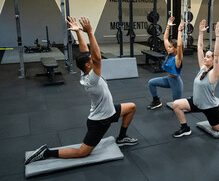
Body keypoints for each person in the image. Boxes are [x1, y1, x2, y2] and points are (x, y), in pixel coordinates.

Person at [25, 16, 138, 165]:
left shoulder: (85, 71)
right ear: (89, 65)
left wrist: (78, 32)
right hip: (100, 120)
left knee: (131, 107)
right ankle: (46, 152)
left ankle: (122, 137)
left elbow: (85, 52)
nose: (93, 59)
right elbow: (97, 58)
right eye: (91, 60)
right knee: (82, 152)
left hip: (109, 111)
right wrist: (90, 33)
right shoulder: (93, 79)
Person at [172, 20, 219, 138]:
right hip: (196, 103)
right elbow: (199, 49)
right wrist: (200, 33)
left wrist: (217, 36)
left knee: (218, 128)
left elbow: (217, 55)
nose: (205, 58)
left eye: (208, 57)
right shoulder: (203, 67)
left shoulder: (214, 72)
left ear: (213, 60)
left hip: (209, 107)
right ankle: (185, 128)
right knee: (176, 105)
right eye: (205, 57)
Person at [147, 17, 184, 109]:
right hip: (168, 79)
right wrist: (168, 26)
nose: (168, 48)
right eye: (169, 47)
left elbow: (179, 45)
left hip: (176, 82)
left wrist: (179, 31)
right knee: (151, 82)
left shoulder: (177, 58)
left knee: (176, 105)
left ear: (175, 49)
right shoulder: (170, 53)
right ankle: (156, 101)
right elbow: (165, 38)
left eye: (170, 47)